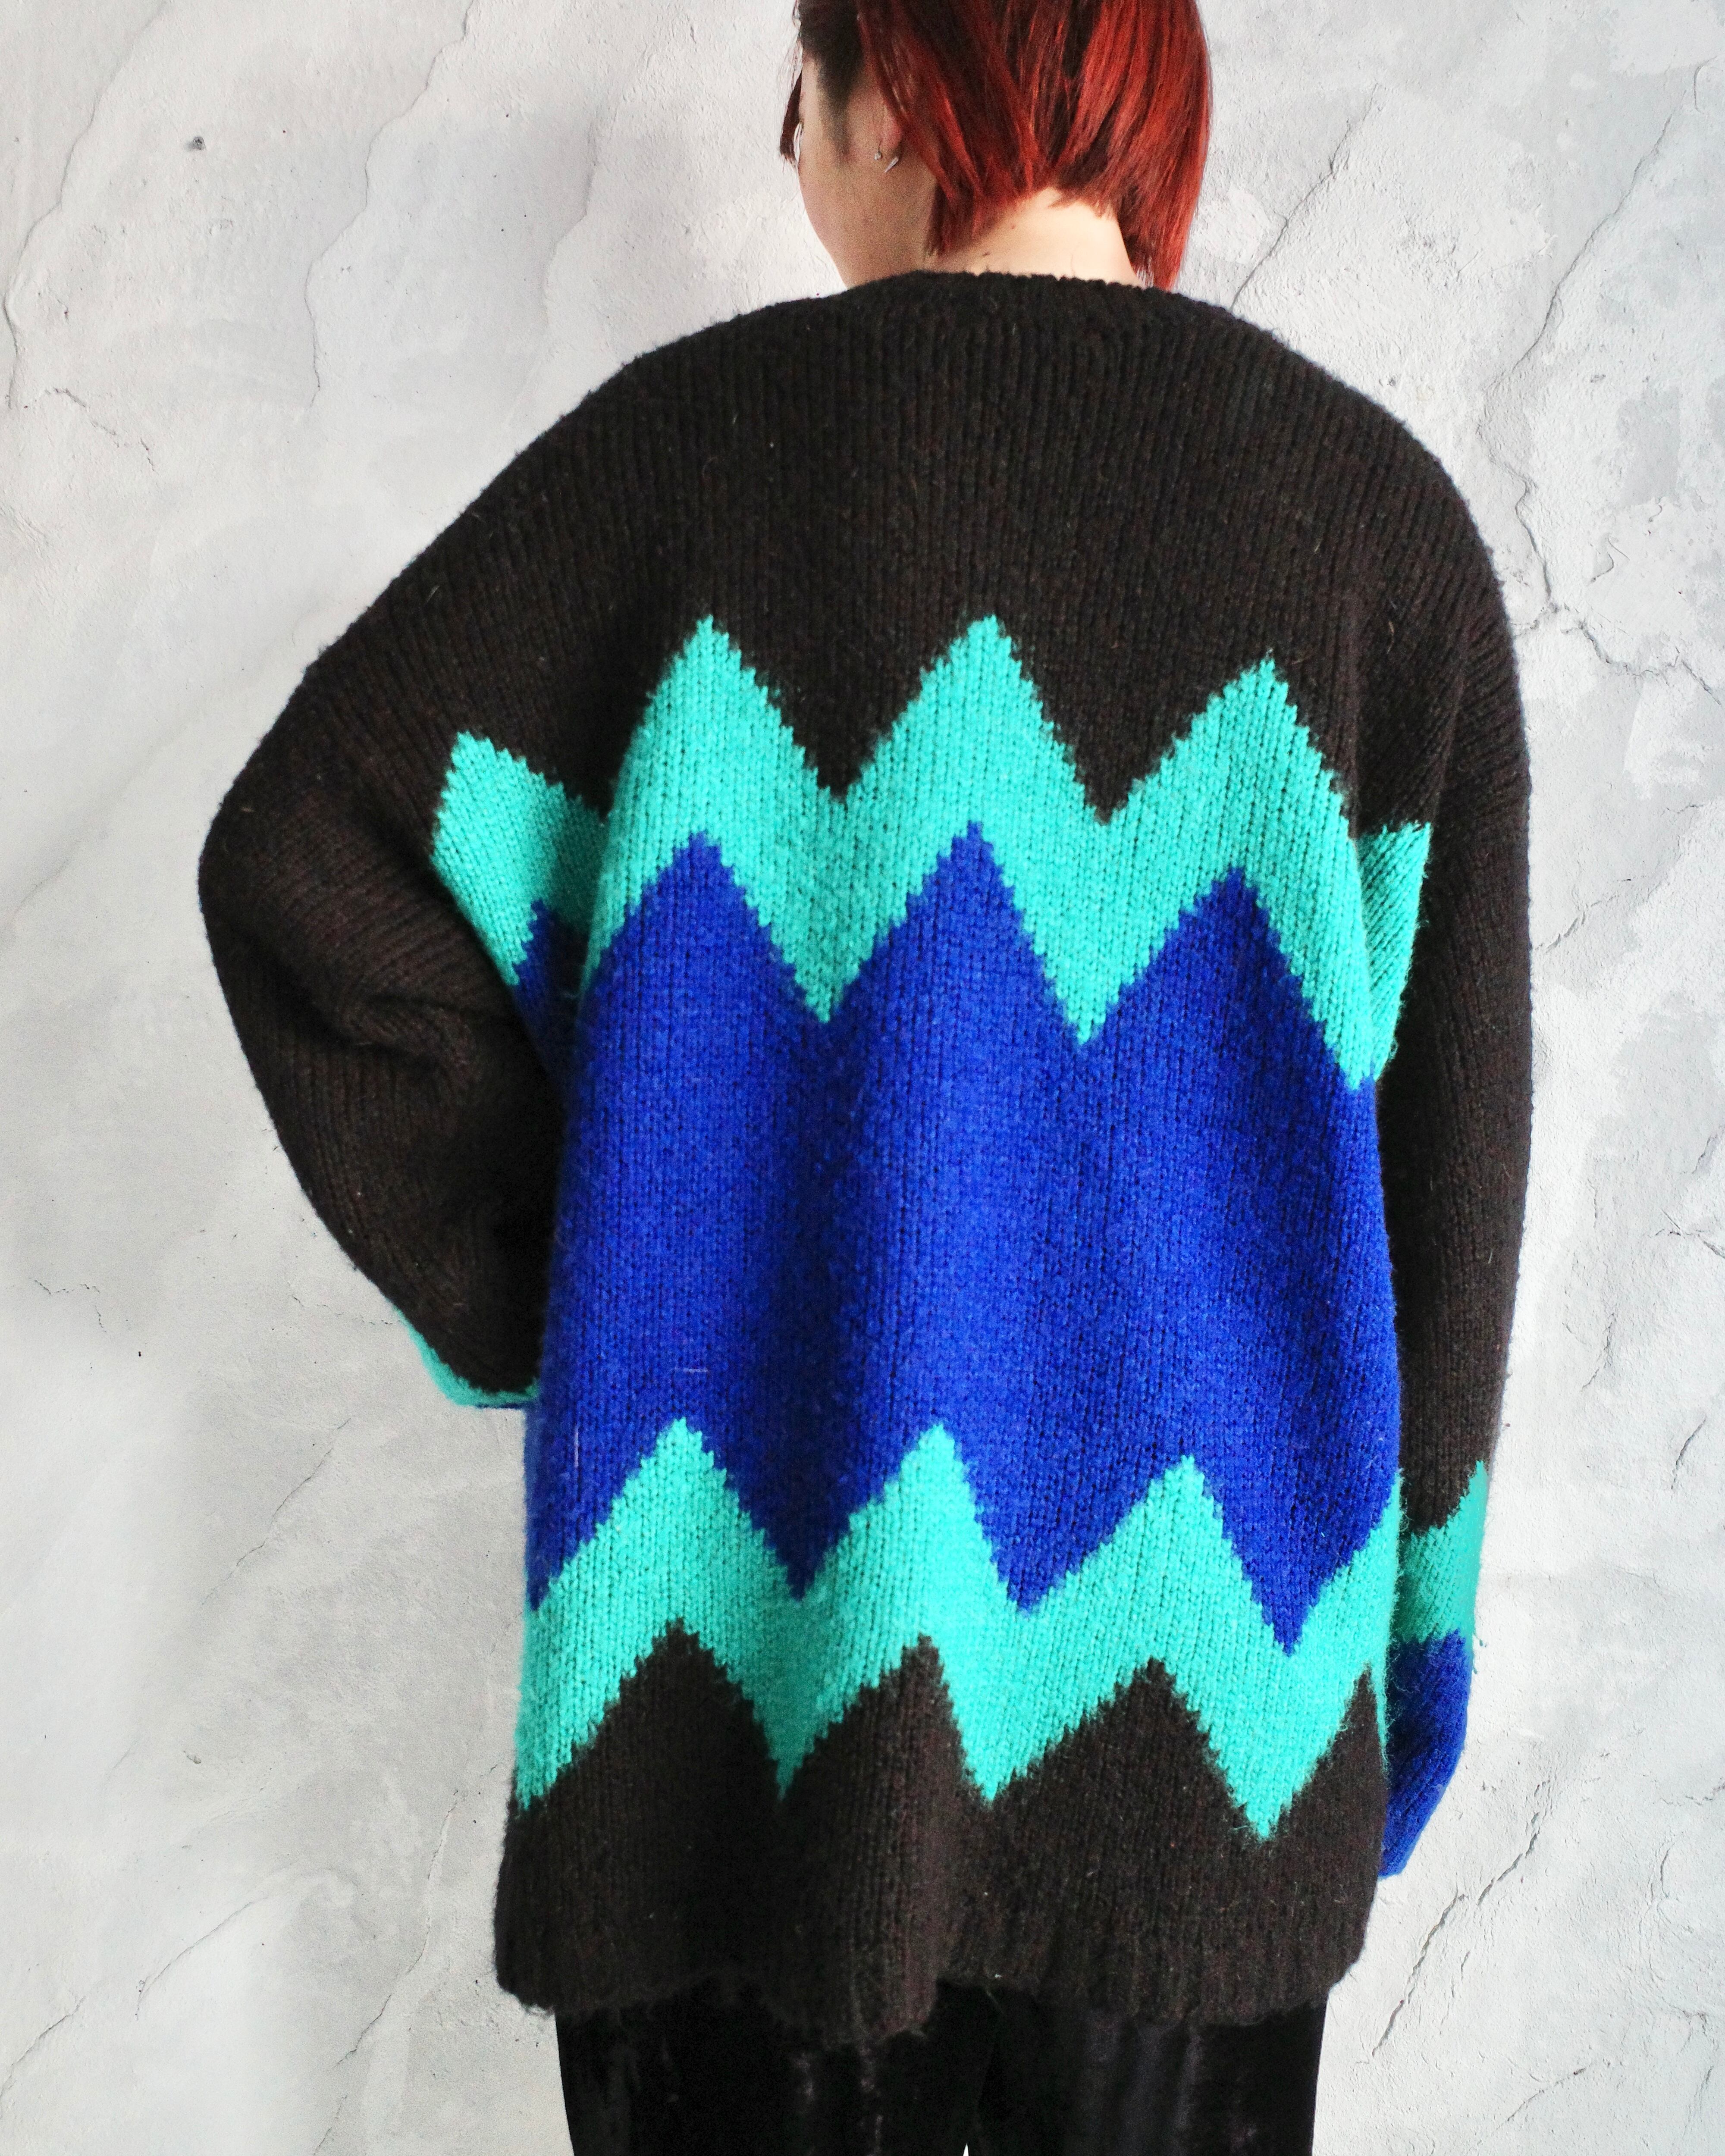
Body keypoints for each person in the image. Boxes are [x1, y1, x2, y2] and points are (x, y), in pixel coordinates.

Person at [195, 0, 1534, 2148]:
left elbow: (306, 864)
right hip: (1208, 1777)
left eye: (798, 90)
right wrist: (1406, 1687)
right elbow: (1447, 1210)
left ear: (900, 81)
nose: (791, 146)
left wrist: (579, 1293)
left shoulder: (671, 470)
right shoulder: (1376, 535)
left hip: (719, 1740)